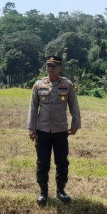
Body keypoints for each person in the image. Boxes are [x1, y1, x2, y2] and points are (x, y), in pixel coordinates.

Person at [27, 55, 81, 206]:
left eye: (53, 65)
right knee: (42, 162)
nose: (50, 68)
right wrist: (31, 127)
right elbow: (33, 107)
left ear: (60, 68)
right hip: (42, 130)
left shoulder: (67, 85)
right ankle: (43, 192)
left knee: (62, 162)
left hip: (60, 130)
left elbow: (73, 105)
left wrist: (76, 123)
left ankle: (61, 191)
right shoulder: (39, 85)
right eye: (48, 65)